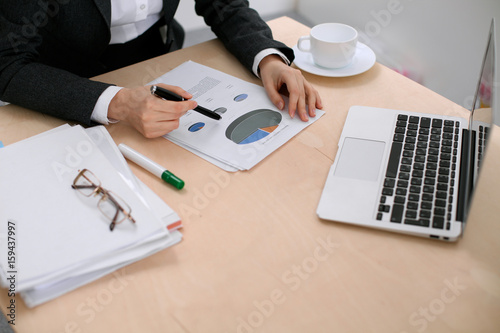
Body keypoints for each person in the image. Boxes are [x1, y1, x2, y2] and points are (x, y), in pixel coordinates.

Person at [0, 0, 322, 138]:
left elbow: (223, 4)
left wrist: (267, 58)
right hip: (66, 82)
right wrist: (118, 102)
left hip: (160, 58)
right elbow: (8, 63)